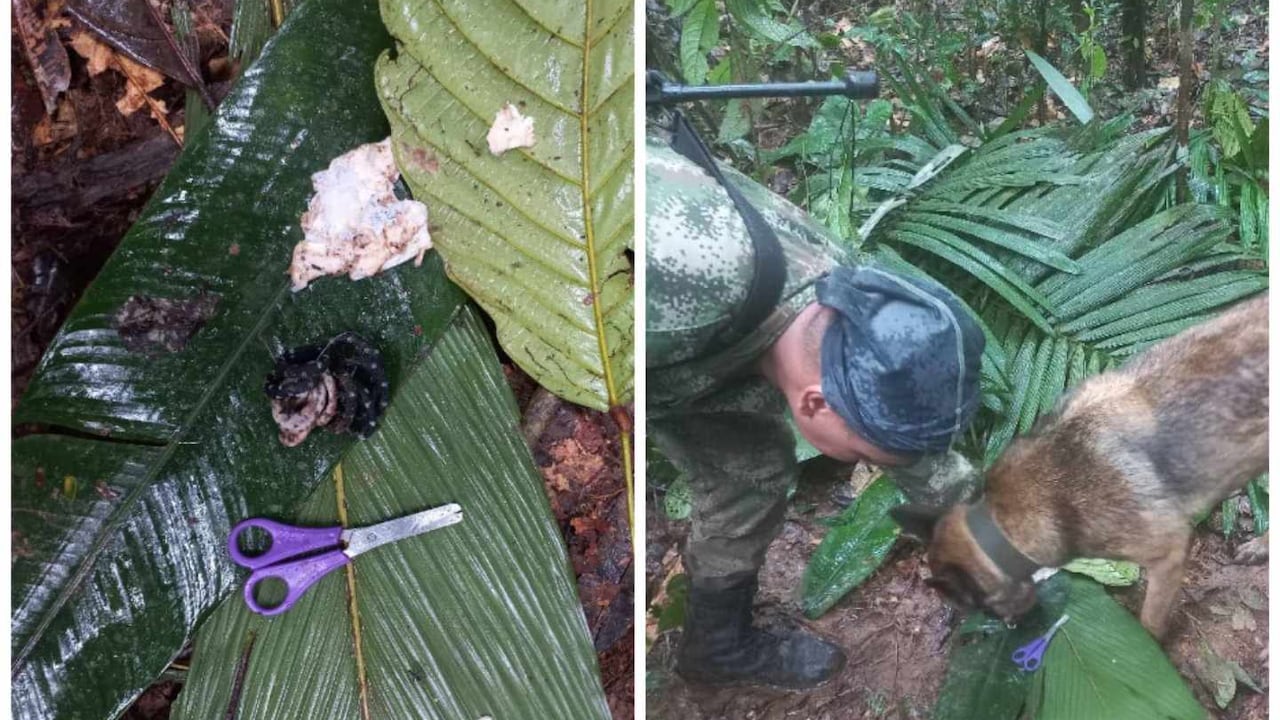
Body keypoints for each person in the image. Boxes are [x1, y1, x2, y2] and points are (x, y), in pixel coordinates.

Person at [647, 129, 986, 689]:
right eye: (865, 456)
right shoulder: (675, 295)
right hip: (627, 330)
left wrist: (990, 542)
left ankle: (715, 647)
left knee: (749, 477)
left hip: (708, 358)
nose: (878, 462)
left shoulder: (853, 310)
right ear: (815, 403)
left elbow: (904, 442)